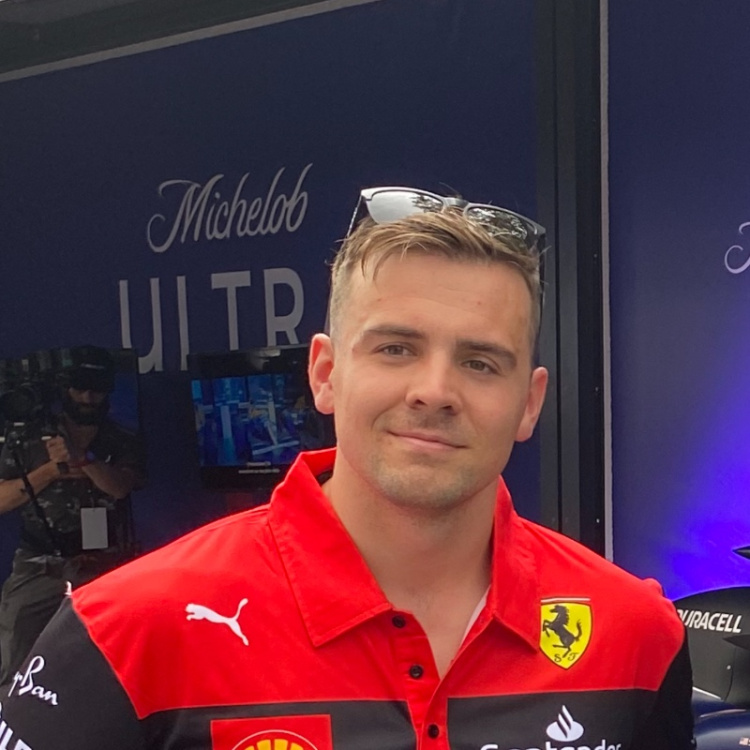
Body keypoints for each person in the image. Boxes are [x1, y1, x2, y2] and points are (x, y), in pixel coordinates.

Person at [0, 188, 693, 749]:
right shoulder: (125, 632)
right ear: (325, 374)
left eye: (481, 362)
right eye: (396, 349)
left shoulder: (632, 633)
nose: (434, 391)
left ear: (529, 403)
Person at [0, 345, 146, 685]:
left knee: (114, 664)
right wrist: (51, 470)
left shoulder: (121, 438)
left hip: (104, 565)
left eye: (96, 390)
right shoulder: (27, 439)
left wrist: (82, 460)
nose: (87, 398)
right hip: (39, 564)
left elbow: (121, 486)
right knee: (14, 661)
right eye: (79, 389)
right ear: (65, 389)